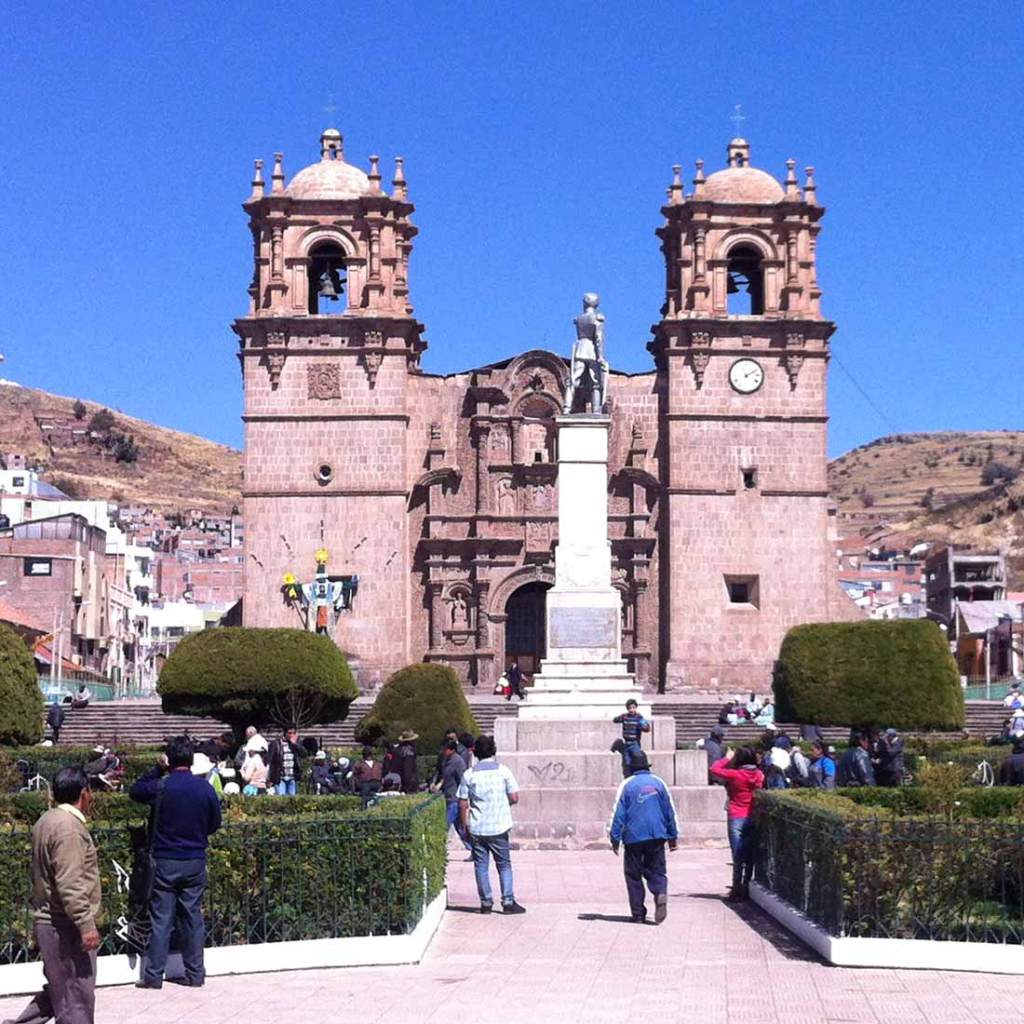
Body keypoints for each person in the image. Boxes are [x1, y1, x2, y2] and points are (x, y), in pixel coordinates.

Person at [5, 767, 101, 1024]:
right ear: (84, 793)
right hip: (65, 925)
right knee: (77, 997)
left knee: (61, 990)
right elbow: (69, 882)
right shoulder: (68, 828)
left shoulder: (46, 820)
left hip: (51, 921)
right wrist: (85, 924)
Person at [129, 735, 221, 989]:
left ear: (170, 760)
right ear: (191, 760)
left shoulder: (161, 786)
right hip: (194, 859)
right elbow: (214, 824)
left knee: (161, 918)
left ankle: (154, 975)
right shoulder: (205, 789)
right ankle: (195, 974)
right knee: (192, 917)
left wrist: (157, 769)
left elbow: (135, 790)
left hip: (164, 861)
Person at [457, 733, 525, 915]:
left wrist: (464, 825)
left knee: (481, 865)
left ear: (475, 752)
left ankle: (486, 902)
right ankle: (508, 901)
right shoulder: (503, 771)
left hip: (478, 827)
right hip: (499, 826)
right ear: (493, 751)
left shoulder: (469, 774)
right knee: (503, 864)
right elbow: (514, 797)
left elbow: (462, 802)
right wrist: (503, 804)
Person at [608, 750, 679, 924]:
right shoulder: (659, 783)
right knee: (657, 869)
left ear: (631, 767)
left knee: (633, 874)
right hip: (657, 834)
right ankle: (660, 891)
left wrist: (615, 838)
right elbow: (669, 811)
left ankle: (638, 914)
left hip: (634, 836)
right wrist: (672, 836)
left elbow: (618, 813)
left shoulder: (627, 784)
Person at [710, 747, 765, 901]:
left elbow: (714, 768)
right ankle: (747, 886)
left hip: (736, 815)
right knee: (749, 855)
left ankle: (736, 888)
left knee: (737, 855)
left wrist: (728, 757)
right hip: (752, 815)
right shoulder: (759, 775)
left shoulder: (736, 775)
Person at [435, 738, 471, 854]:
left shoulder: (458, 762)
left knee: (445, 825)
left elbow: (463, 780)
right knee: (460, 828)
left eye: (445, 749)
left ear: (451, 750)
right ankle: (473, 849)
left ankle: (437, 850)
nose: (443, 751)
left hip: (455, 799)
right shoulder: (446, 760)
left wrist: (464, 798)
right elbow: (443, 776)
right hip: (448, 796)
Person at [612, 699, 651, 777]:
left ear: (636, 708)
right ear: (627, 708)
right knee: (627, 762)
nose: (632, 710)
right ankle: (629, 776)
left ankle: (638, 775)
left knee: (637, 760)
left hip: (635, 743)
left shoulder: (639, 718)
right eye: (630, 708)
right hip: (626, 743)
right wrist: (618, 719)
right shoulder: (625, 716)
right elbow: (615, 720)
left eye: (633, 708)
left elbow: (647, 728)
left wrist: (644, 726)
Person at [268, 726, 304, 796]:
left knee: (292, 800)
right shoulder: (276, 744)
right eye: (289, 733)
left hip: (292, 777)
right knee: (281, 799)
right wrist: (270, 777)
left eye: (293, 733)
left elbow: (304, 754)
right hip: (280, 777)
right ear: (285, 733)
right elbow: (270, 761)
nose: (292, 735)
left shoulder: (296, 744)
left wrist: (295, 744)